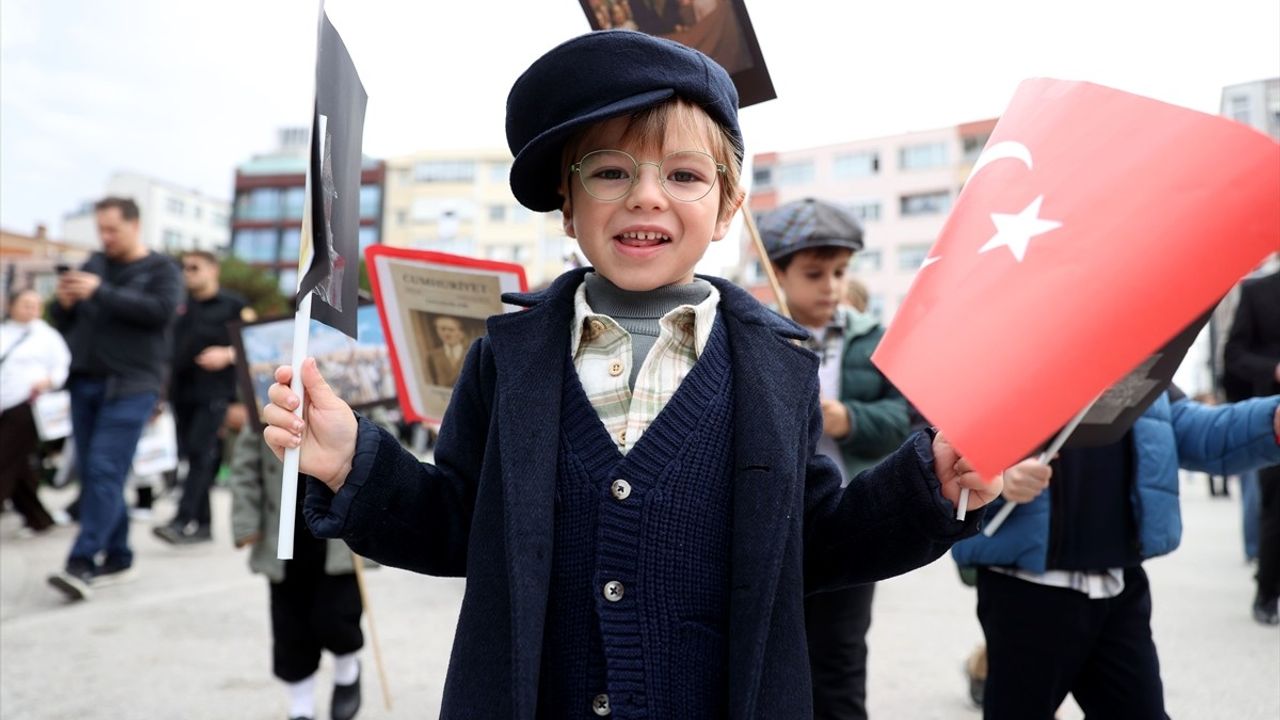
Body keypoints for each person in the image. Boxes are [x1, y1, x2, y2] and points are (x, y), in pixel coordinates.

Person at [261, 30, 1002, 719]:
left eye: (684, 174)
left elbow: (813, 543)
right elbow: (458, 523)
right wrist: (356, 462)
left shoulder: (780, 369)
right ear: (566, 205)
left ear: (726, 208)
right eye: (610, 171)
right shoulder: (504, 359)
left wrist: (925, 485)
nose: (646, 195)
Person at [952, 386, 1280, 719]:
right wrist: (996, 478)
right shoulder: (1004, 352)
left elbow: (1191, 427)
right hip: (1026, 591)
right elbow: (941, 443)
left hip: (1119, 585)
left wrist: (1272, 422)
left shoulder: (1131, 352)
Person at [759, 198, 908, 720]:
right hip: (773, 526)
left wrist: (848, 419)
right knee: (770, 661)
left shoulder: (874, 340)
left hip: (849, 520)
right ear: (777, 273)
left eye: (840, 272)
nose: (831, 286)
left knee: (841, 663)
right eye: (814, 273)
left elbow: (906, 420)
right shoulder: (754, 337)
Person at [46, 196, 183, 601]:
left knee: (105, 469)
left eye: (113, 230)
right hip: (85, 382)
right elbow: (65, 320)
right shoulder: (94, 264)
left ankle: (82, 562)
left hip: (132, 385)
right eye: (101, 229)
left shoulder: (162, 269)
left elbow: (161, 311)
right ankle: (120, 555)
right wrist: (65, 303)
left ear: (134, 225)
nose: (105, 237)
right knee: (94, 473)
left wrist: (101, 292)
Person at [229, 425, 363, 720]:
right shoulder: (267, 394)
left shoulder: (346, 384)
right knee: (290, 623)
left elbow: (381, 432)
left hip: (336, 528)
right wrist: (246, 521)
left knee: (339, 613)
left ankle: (347, 669)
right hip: (282, 527)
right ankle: (300, 705)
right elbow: (246, 468)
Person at [153, 250, 250, 545]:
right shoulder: (180, 305)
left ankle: (183, 520)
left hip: (215, 393)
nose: (188, 273)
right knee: (194, 456)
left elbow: (256, 343)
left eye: (195, 267)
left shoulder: (234, 305)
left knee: (200, 453)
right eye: (185, 268)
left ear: (213, 270)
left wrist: (228, 354)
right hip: (181, 393)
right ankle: (204, 524)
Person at [1224, 268, 1280, 624]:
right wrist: (1274, 370)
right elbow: (1234, 356)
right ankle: (1267, 592)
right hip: (1272, 417)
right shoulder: (1258, 292)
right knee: (1275, 507)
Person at [0, 288, 71, 536]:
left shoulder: (46, 336)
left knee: (4, 458)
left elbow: (62, 367)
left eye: (35, 305)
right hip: (4, 404)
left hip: (28, 405)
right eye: (25, 304)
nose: (31, 309)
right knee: (18, 466)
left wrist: (48, 381)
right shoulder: (5, 332)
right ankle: (38, 518)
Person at [425, 315, 467, 388]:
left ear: (461, 332)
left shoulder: (472, 353)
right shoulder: (432, 356)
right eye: (443, 329)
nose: (447, 334)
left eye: (451, 330)